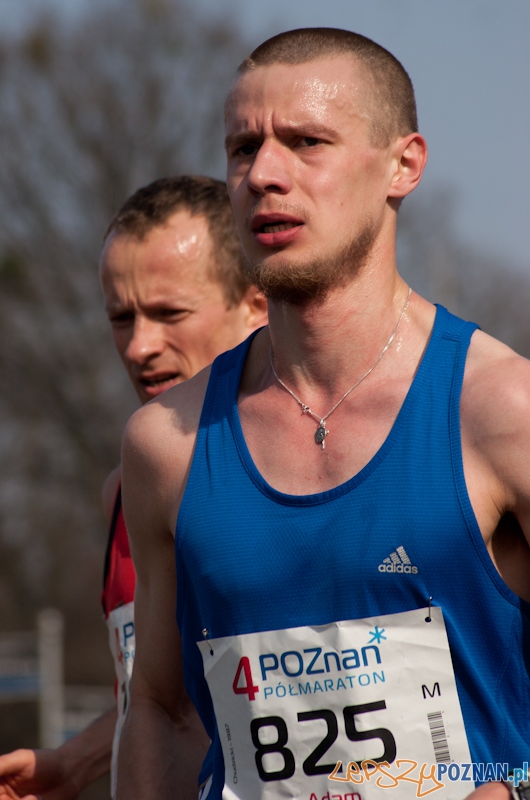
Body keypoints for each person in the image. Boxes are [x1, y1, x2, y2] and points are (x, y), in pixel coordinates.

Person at [117, 29, 530, 800]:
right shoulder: (165, 445)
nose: (264, 175)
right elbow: (164, 711)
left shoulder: (503, 411)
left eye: (306, 142)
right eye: (243, 148)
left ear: (402, 164)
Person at [0, 175, 267, 799]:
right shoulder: (126, 490)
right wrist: (74, 763)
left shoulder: (324, 475)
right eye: (122, 317)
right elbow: (162, 695)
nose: (141, 346)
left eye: (169, 313)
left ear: (255, 302)